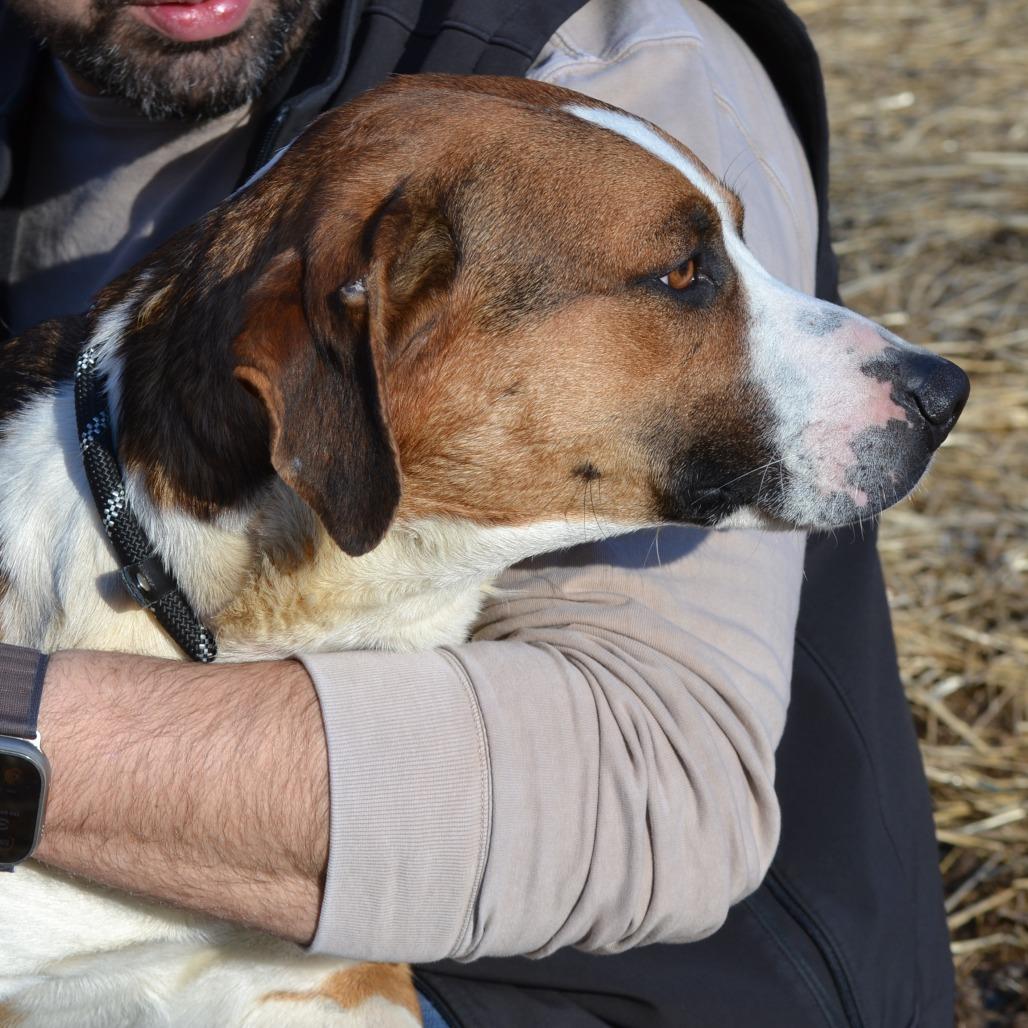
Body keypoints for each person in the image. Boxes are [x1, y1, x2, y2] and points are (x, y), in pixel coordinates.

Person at [0, 0, 954, 1024]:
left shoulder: (597, 62)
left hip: (580, 985)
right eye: (686, 279)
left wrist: (25, 722)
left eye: (689, 270)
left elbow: (650, 799)